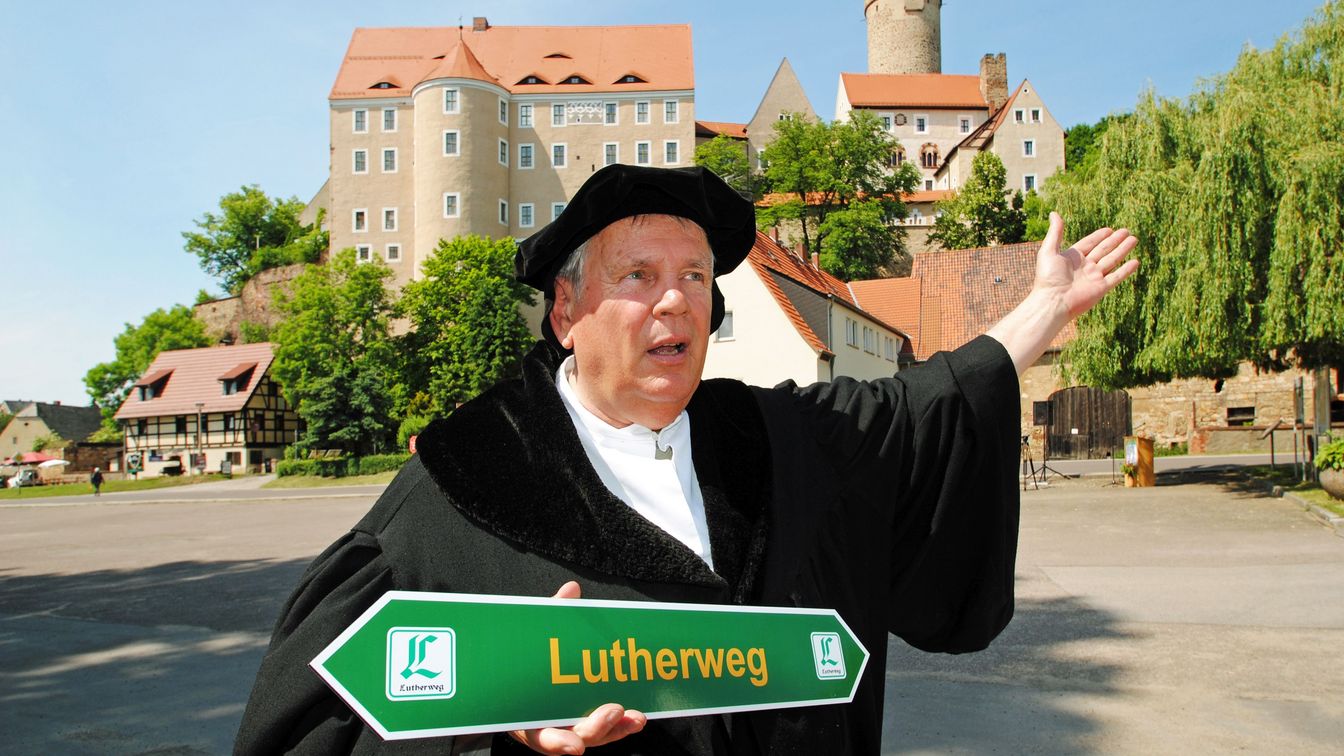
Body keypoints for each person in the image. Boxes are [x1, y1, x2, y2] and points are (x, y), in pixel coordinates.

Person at [235, 165, 1137, 755]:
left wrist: (1043, 310)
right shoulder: (462, 486)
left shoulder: (781, 441)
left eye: (698, 277)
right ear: (565, 312)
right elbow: (310, 733)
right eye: (638, 277)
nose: (678, 301)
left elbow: (925, 405)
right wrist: (491, 735)